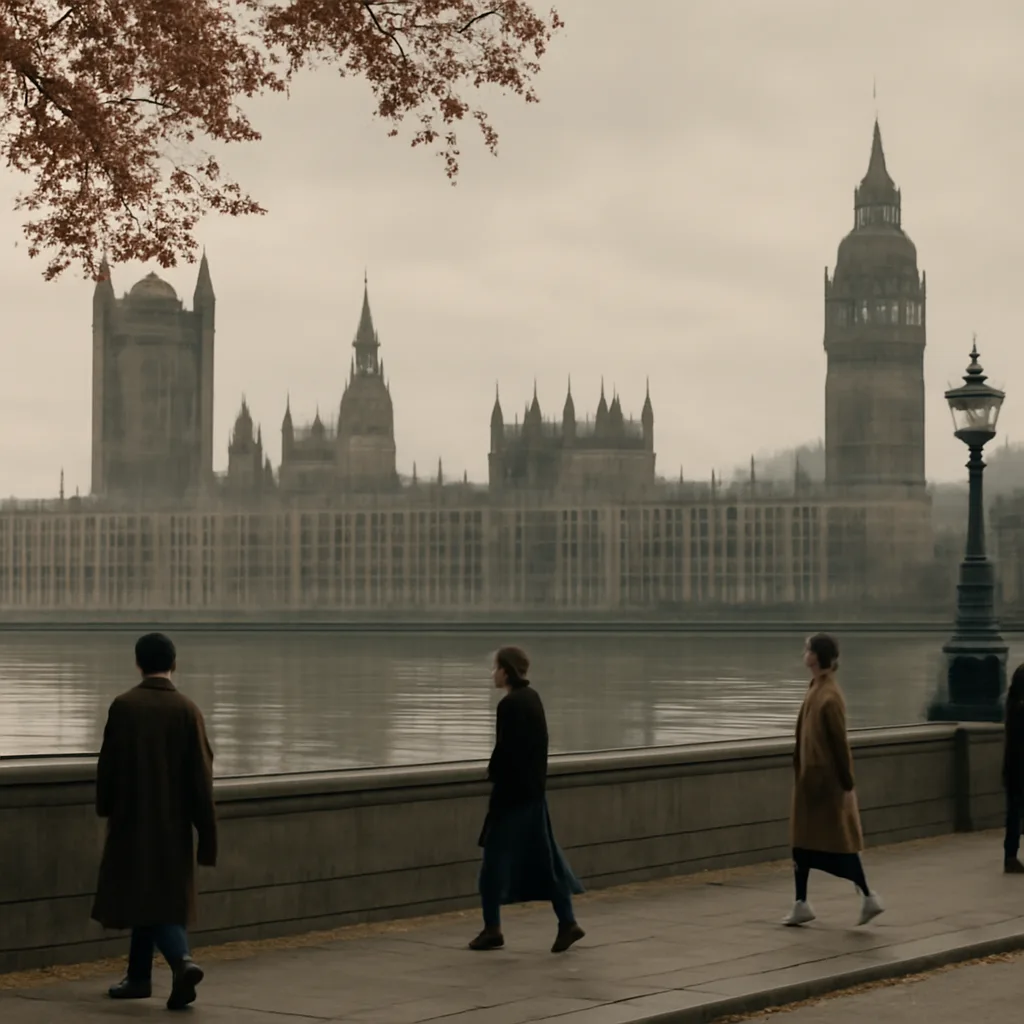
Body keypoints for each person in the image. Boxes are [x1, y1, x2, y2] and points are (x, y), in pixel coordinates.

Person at [91, 633, 218, 1011]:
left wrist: (106, 807)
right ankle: (140, 977)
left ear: (138, 663)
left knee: (144, 897)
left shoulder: (124, 706)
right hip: (174, 827)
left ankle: (181, 962)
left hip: (131, 823)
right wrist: (207, 838)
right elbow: (202, 779)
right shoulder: (187, 710)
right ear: (173, 664)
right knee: (157, 896)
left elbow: (108, 766)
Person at [469, 645, 586, 953]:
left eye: (495, 668)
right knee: (547, 862)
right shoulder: (533, 699)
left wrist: (494, 777)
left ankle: (492, 929)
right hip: (533, 794)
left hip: (512, 798)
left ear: (506, 671)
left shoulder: (509, 705)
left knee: (492, 866)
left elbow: (505, 753)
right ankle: (567, 922)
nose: (492, 674)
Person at [783, 632, 884, 927]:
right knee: (803, 846)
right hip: (811, 781)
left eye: (808, 649)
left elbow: (840, 744)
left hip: (822, 784)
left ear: (818, 656)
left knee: (834, 847)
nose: (804, 653)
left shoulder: (829, 696)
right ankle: (803, 902)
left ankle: (867, 896)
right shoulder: (817, 688)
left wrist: (847, 784)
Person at [1002, 664, 1024, 873]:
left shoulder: (1012, 708)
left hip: (1013, 766)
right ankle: (1010, 856)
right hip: (1020, 767)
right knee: (1016, 812)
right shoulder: (1019, 711)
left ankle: (1010, 856)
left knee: (1014, 812)